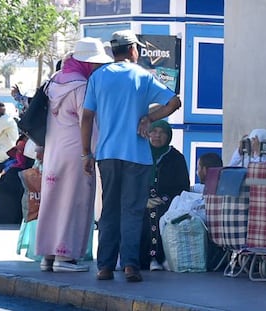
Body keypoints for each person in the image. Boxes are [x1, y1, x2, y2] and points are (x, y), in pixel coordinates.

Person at [80, 29, 181, 282]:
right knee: (133, 211)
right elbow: (174, 102)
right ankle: (130, 266)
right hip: (138, 156)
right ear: (133, 50)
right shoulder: (143, 76)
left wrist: (86, 153)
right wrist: (149, 118)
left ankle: (104, 266)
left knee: (110, 209)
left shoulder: (98, 76)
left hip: (107, 154)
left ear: (114, 51)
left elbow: (87, 117)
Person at [35, 37, 113, 273]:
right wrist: (91, 152)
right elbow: (86, 122)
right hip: (77, 152)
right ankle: (65, 258)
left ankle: (47, 256)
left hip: (53, 151)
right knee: (75, 202)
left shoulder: (53, 82)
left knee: (52, 202)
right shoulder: (81, 87)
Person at [140, 120, 189, 271]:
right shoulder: (140, 154)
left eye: (162, 133)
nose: (157, 136)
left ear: (168, 136)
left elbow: (183, 187)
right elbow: (131, 181)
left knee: (161, 215)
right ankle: (143, 259)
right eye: (154, 131)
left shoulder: (176, 158)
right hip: (141, 201)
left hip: (168, 202)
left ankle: (161, 257)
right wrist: (143, 199)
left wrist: (165, 199)